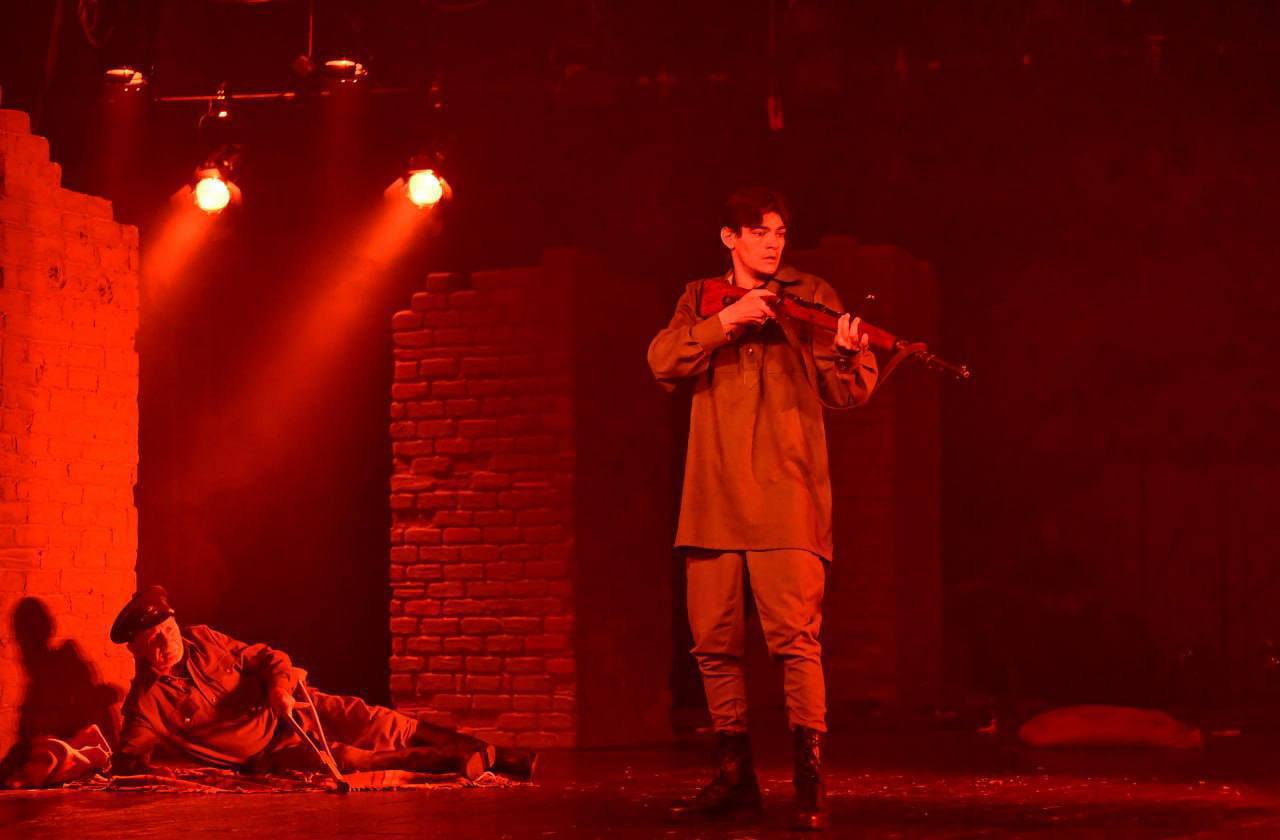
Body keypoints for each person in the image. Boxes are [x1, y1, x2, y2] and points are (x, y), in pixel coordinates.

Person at [647, 187, 878, 830]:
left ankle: (809, 779)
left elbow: (846, 392)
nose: (774, 243)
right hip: (711, 494)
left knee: (796, 642)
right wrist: (727, 321)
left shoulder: (812, 294)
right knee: (712, 644)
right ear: (730, 238)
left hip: (787, 493)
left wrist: (849, 354)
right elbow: (662, 361)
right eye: (759, 232)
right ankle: (735, 776)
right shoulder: (699, 296)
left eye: (780, 232)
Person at [109, 586, 536, 781]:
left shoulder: (203, 638)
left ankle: (499, 756)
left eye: (168, 631)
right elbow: (129, 762)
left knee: (378, 721)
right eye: (154, 641)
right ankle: (455, 762)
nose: (168, 644)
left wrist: (279, 690)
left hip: (292, 706)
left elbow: (268, 657)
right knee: (349, 759)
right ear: (137, 650)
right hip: (270, 752)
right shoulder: (146, 703)